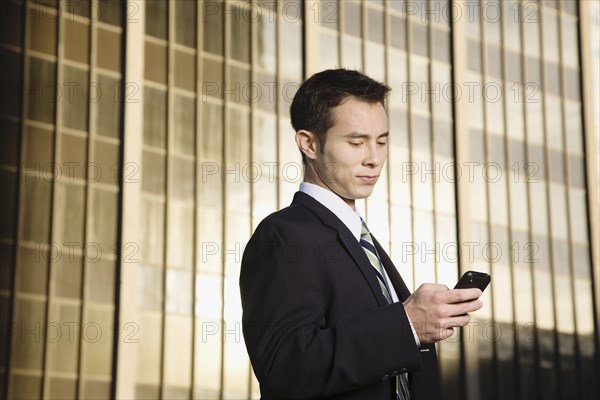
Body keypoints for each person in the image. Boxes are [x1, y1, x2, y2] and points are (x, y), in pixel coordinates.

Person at [239, 69, 483, 399]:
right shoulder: (285, 236)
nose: (374, 158)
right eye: (356, 142)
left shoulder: (363, 242)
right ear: (309, 143)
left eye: (381, 142)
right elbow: (286, 367)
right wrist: (407, 324)